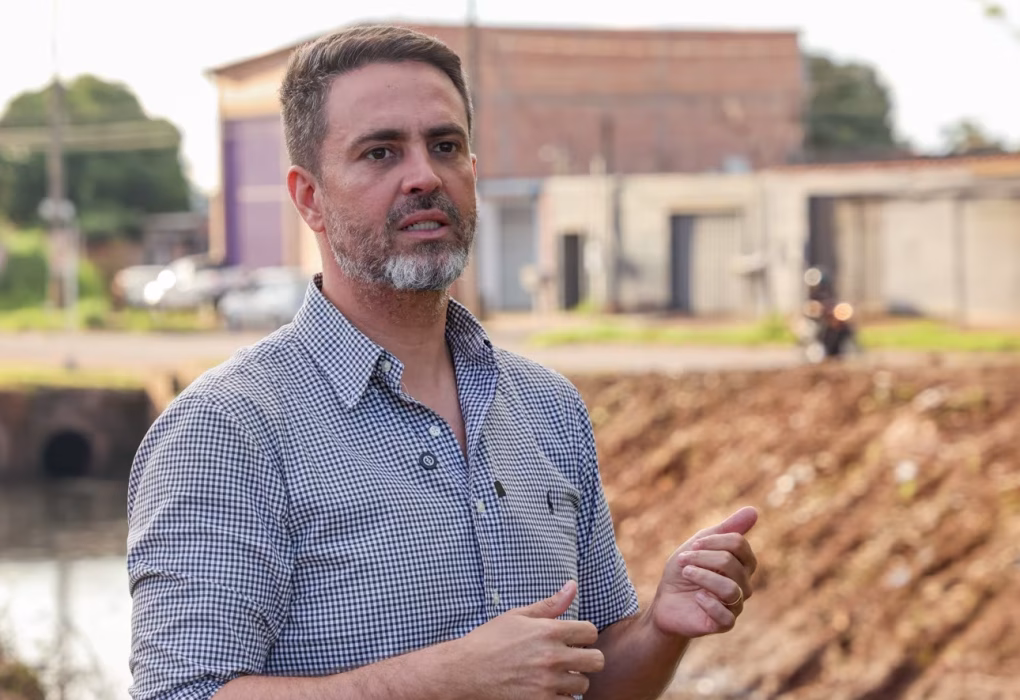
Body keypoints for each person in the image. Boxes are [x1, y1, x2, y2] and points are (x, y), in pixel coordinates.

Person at [126, 24, 759, 700]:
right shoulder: (227, 430)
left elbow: (592, 675)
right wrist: (446, 679)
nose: (425, 176)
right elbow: (180, 693)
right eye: (380, 152)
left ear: (473, 173)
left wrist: (661, 626)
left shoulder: (549, 406)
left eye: (445, 146)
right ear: (309, 197)